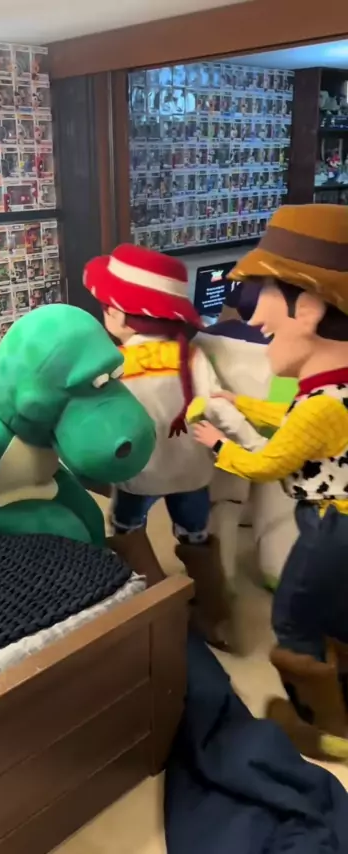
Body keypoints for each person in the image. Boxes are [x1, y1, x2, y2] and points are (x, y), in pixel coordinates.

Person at [193, 204, 348, 756]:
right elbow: (294, 420)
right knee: (337, 613)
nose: (256, 317)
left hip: (330, 524)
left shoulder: (322, 405)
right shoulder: (333, 392)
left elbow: (270, 463)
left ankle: (323, 728)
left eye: (267, 296)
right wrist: (245, 404)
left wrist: (218, 443)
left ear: (309, 307)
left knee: (294, 618)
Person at [84, 244, 263, 648]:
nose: (105, 314)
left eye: (107, 308)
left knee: (126, 528)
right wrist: (254, 444)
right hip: (191, 472)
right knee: (196, 536)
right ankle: (216, 617)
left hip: (139, 474)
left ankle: (156, 603)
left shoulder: (114, 363)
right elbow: (219, 407)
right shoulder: (191, 355)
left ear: (124, 314)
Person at [196, 280, 298, 592]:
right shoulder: (295, 345)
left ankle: (223, 578)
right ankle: (277, 569)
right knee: (279, 509)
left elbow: (204, 392)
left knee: (223, 505)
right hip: (277, 435)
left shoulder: (204, 341)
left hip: (224, 434)